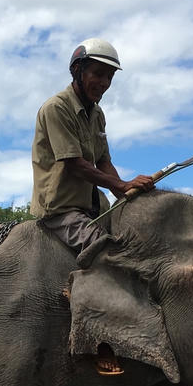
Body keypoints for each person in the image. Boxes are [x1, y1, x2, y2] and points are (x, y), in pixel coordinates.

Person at [30, 38, 155, 266]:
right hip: (62, 210)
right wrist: (122, 185)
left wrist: (128, 196)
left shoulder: (97, 114)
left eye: (110, 77)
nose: (104, 83)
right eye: (98, 74)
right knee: (110, 255)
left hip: (94, 208)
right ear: (77, 70)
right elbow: (74, 164)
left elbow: (104, 162)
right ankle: (79, 296)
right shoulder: (56, 108)